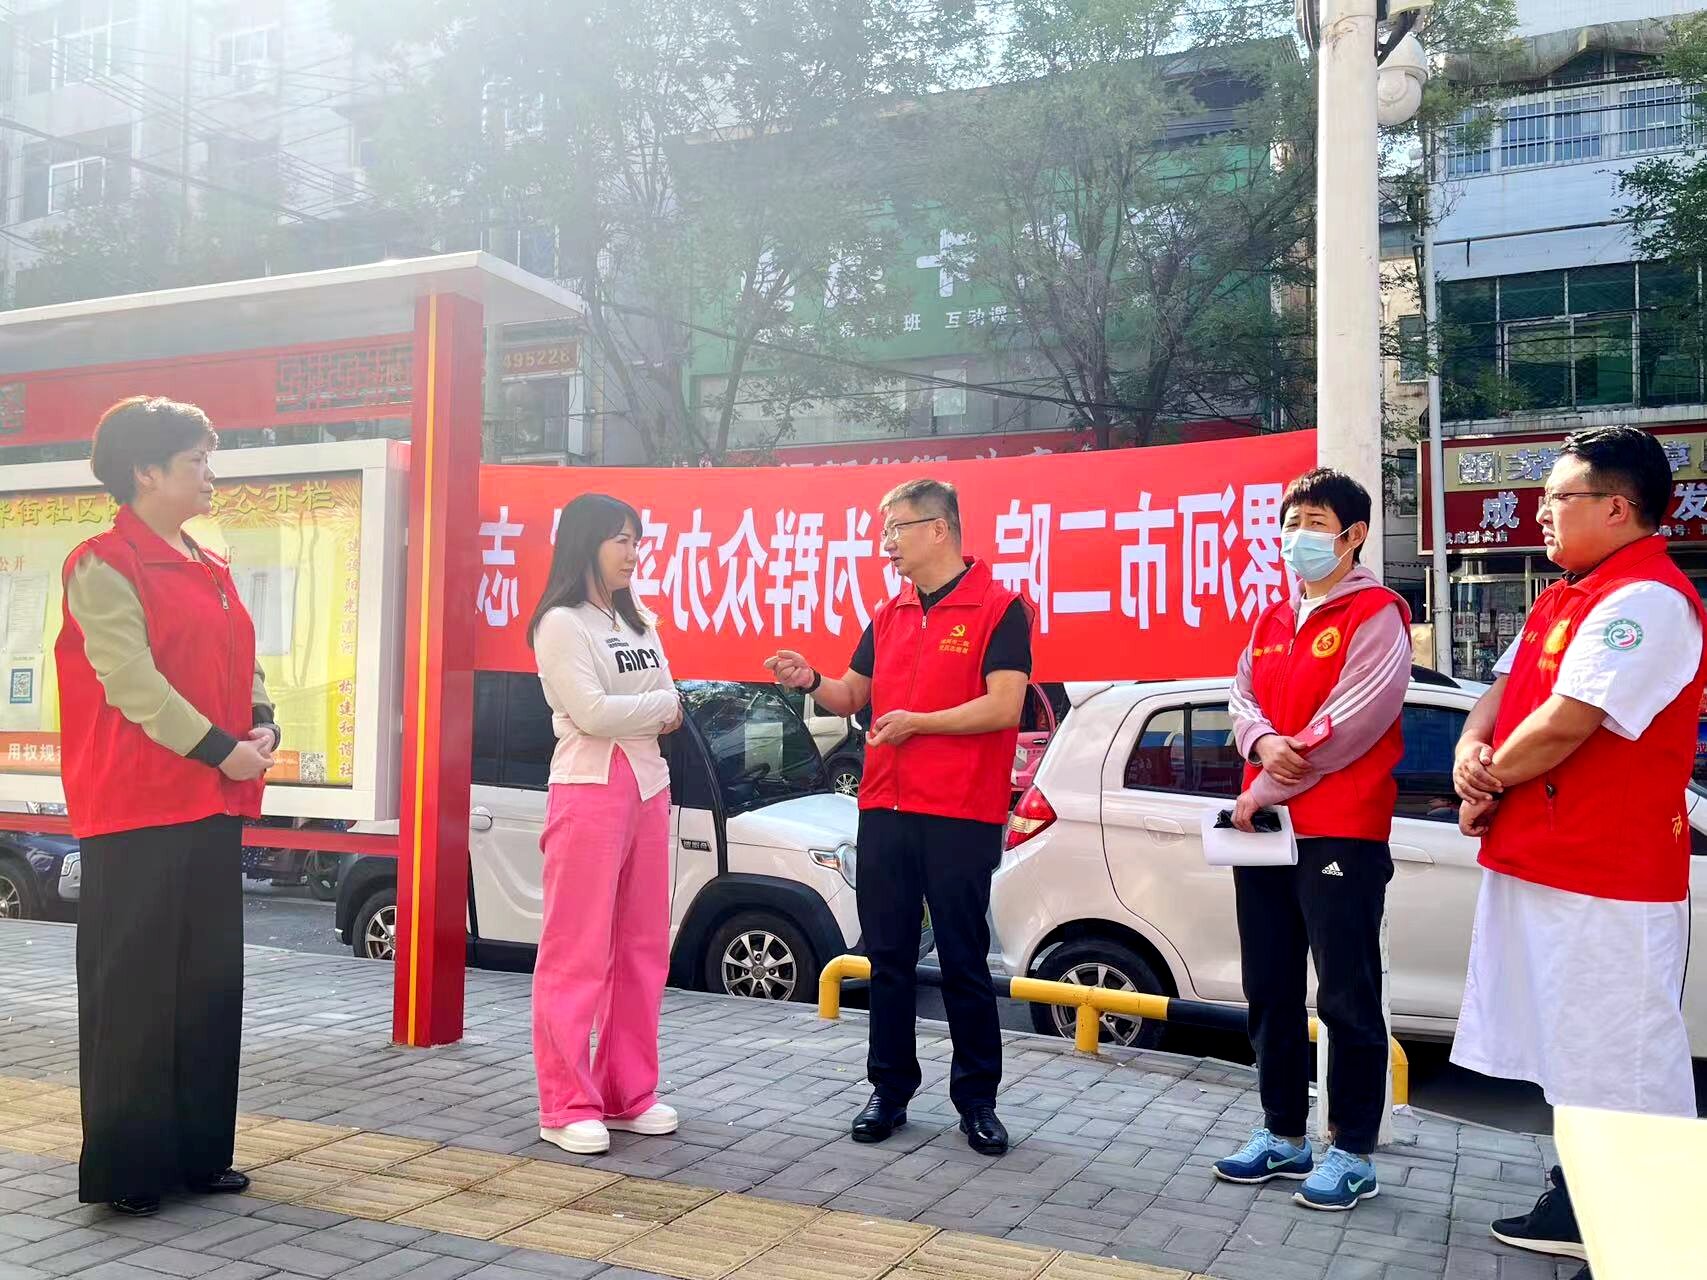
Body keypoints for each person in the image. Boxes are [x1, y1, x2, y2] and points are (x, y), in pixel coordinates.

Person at [1450, 427, 1705, 1280]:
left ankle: (1652, 1247)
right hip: (1540, 858)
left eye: (1557, 497)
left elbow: (1568, 722)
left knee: (1621, 1059)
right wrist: (1470, 751)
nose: (1540, 512)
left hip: (1608, 878)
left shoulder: (1648, 601)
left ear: (1617, 508)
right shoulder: (1563, 597)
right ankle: (1580, 1206)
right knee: (1567, 1053)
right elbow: (1499, 694)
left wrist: (1486, 780)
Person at [55, 396, 279, 1216]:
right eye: (196, 461)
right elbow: (133, 684)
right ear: (146, 472)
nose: (210, 475)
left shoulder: (207, 560)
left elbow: (243, 658)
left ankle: (198, 1155)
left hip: (210, 800)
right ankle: (129, 1170)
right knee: (135, 992)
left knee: (207, 984)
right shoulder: (101, 564)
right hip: (136, 807)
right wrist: (224, 748)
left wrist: (261, 718)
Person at [765, 478, 1030, 1156]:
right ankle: (888, 1089)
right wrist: (809, 679)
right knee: (886, 957)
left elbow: (1004, 705)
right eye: (883, 531)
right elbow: (853, 693)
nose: (886, 543)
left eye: (896, 528)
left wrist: (919, 723)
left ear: (939, 528)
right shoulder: (889, 614)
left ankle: (977, 1101)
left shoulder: (1000, 609)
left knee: (963, 958)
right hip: (884, 806)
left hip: (959, 812)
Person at [1218, 467, 1412, 1212]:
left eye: (1315, 523)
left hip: (1341, 831)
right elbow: (1240, 697)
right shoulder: (1272, 619)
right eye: (1291, 523)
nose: (1297, 537)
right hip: (1267, 835)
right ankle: (1282, 1134)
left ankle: (1353, 1151)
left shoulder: (1377, 614)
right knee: (1268, 986)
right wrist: (1261, 741)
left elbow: (1353, 721)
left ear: (1353, 535)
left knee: (1345, 995)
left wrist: (1265, 782)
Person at [527, 493, 684, 1156]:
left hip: (649, 785)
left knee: (643, 947)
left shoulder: (638, 618)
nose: (632, 553)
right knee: (577, 949)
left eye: (636, 540)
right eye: (620, 539)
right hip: (588, 786)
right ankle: (565, 1104)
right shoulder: (560, 623)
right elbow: (591, 714)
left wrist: (643, 705)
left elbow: (669, 702)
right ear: (585, 542)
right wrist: (655, 705)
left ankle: (627, 1093)